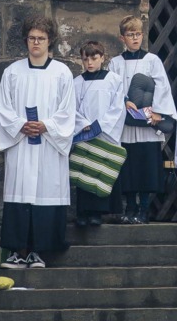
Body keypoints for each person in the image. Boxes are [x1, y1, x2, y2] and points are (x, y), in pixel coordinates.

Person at [0, 17, 75, 269]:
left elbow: (67, 110)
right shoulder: (13, 72)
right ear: (26, 41)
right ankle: (19, 251)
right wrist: (21, 124)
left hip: (50, 145)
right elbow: (3, 107)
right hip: (21, 143)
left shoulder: (61, 73)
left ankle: (39, 252)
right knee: (20, 191)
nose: (36, 43)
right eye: (31, 38)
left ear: (49, 40)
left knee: (45, 191)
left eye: (41, 38)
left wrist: (46, 126)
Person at [108, 14, 175, 224]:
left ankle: (144, 209)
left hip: (147, 124)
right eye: (130, 35)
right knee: (129, 168)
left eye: (138, 34)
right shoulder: (115, 63)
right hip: (127, 125)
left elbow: (162, 87)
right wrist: (125, 100)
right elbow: (112, 88)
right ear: (122, 38)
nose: (135, 38)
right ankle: (130, 208)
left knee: (146, 168)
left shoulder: (152, 61)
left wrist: (158, 112)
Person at [71, 39, 124, 229]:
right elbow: (71, 108)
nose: (90, 63)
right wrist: (84, 123)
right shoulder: (76, 83)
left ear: (102, 58)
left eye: (94, 58)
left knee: (101, 172)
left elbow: (118, 108)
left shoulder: (114, 80)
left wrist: (100, 125)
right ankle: (83, 213)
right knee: (85, 172)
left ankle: (98, 214)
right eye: (86, 60)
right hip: (85, 134)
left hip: (104, 133)